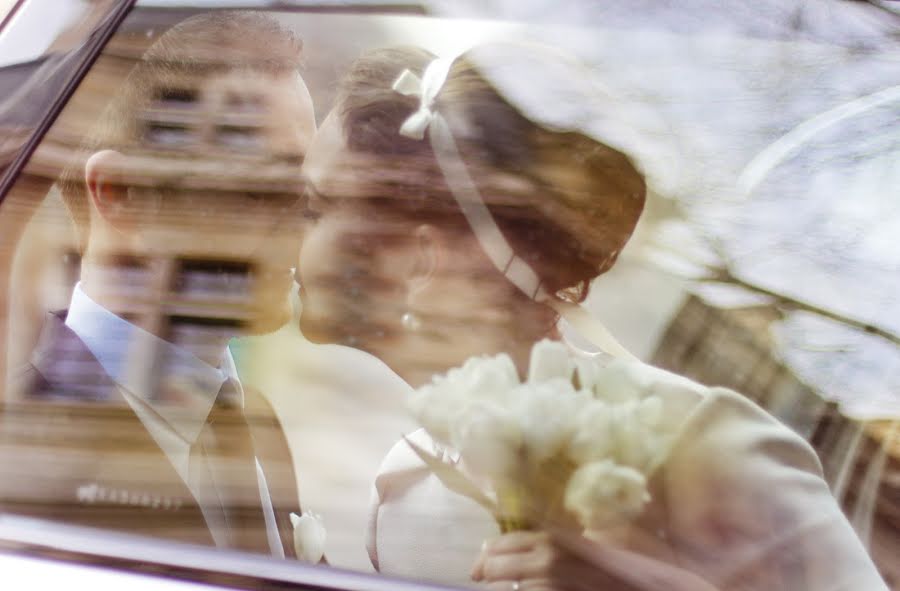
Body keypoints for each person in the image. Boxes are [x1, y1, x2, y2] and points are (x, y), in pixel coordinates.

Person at [296, 45, 888, 589]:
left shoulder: (699, 440)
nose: (289, 236)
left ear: (420, 260)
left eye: (315, 208)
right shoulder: (403, 489)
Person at [1, 12, 316, 557]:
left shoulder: (259, 423)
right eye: (269, 184)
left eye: (309, 188)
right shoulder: (24, 457)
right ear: (123, 194)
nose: (309, 220)